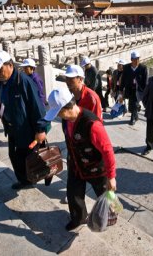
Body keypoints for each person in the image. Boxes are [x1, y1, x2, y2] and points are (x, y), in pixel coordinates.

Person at [44, 87, 116, 231]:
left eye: (58, 113)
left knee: (107, 195)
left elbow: (107, 150)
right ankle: (78, 219)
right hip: (76, 164)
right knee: (73, 194)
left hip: (96, 167)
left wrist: (111, 176)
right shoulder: (67, 121)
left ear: (66, 108)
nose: (58, 116)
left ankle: (111, 216)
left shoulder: (92, 124)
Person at [0, 50, 49, 190]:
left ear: (10, 65)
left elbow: (37, 108)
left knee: (27, 157)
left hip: (26, 130)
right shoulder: (1, 83)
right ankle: (25, 180)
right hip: (11, 128)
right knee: (14, 155)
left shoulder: (24, 82)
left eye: (0, 69)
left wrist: (41, 130)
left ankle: (32, 178)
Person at [119, 51, 148, 125]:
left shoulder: (143, 68)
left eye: (138, 59)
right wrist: (121, 90)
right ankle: (136, 115)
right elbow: (123, 79)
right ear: (131, 59)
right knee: (131, 104)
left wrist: (146, 91)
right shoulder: (126, 67)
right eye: (135, 59)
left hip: (138, 89)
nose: (137, 60)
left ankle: (132, 118)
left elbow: (145, 81)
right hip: (129, 88)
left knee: (135, 103)